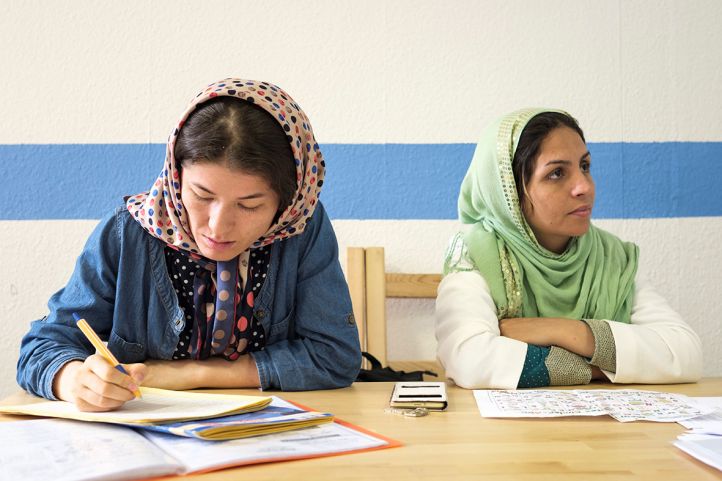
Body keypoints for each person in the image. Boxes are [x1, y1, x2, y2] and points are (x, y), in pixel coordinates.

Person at [17, 78, 361, 411]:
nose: (218, 226)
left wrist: (189, 374)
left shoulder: (300, 229)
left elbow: (334, 357)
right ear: (176, 177)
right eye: (201, 195)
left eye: (249, 205)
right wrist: (74, 379)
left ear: (287, 203)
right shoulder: (129, 232)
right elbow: (42, 347)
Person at [435, 108, 702, 389]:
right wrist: (599, 367)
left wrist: (563, 330)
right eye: (557, 173)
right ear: (509, 191)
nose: (583, 187)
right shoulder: (476, 253)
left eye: (585, 166)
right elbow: (470, 360)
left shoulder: (612, 257)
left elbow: (686, 354)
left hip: (606, 430)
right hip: (505, 432)